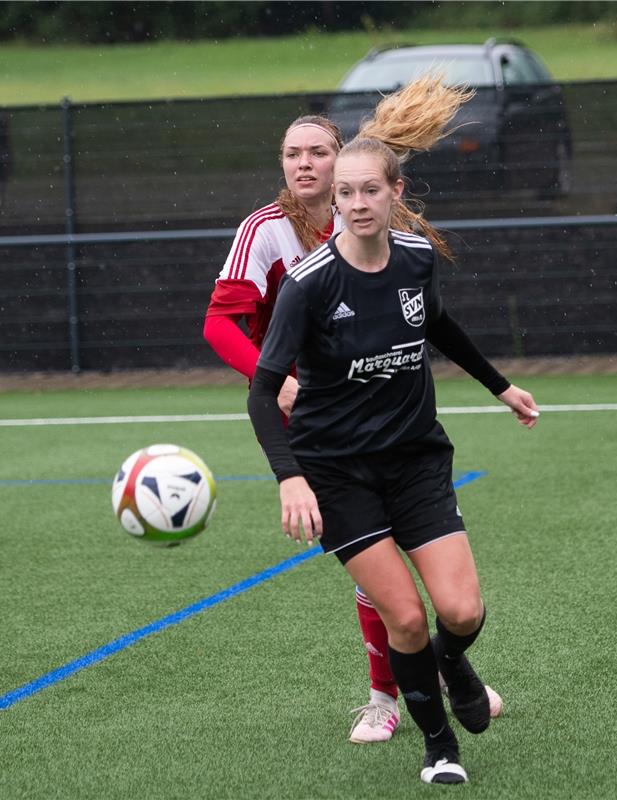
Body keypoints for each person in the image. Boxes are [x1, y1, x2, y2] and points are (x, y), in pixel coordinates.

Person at [204, 77, 502, 746]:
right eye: (292, 153)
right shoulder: (266, 231)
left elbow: (430, 312)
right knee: (380, 573)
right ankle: (384, 698)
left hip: (388, 416)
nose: (304, 164)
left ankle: (437, 674)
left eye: (318, 153)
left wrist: (498, 384)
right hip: (316, 423)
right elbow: (220, 324)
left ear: (346, 164)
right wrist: (271, 380)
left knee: (417, 586)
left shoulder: (371, 217)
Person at [246, 130, 540, 784]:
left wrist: (501, 387)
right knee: (403, 617)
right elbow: (264, 391)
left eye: (369, 190)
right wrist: (290, 477)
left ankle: (453, 662)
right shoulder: (310, 284)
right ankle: (440, 747)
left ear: (395, 193)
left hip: (416, 462)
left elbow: (436, 325)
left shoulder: (414, 257)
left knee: (461, 613)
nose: (355, 203)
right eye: (344, 192)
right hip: (340, 473)